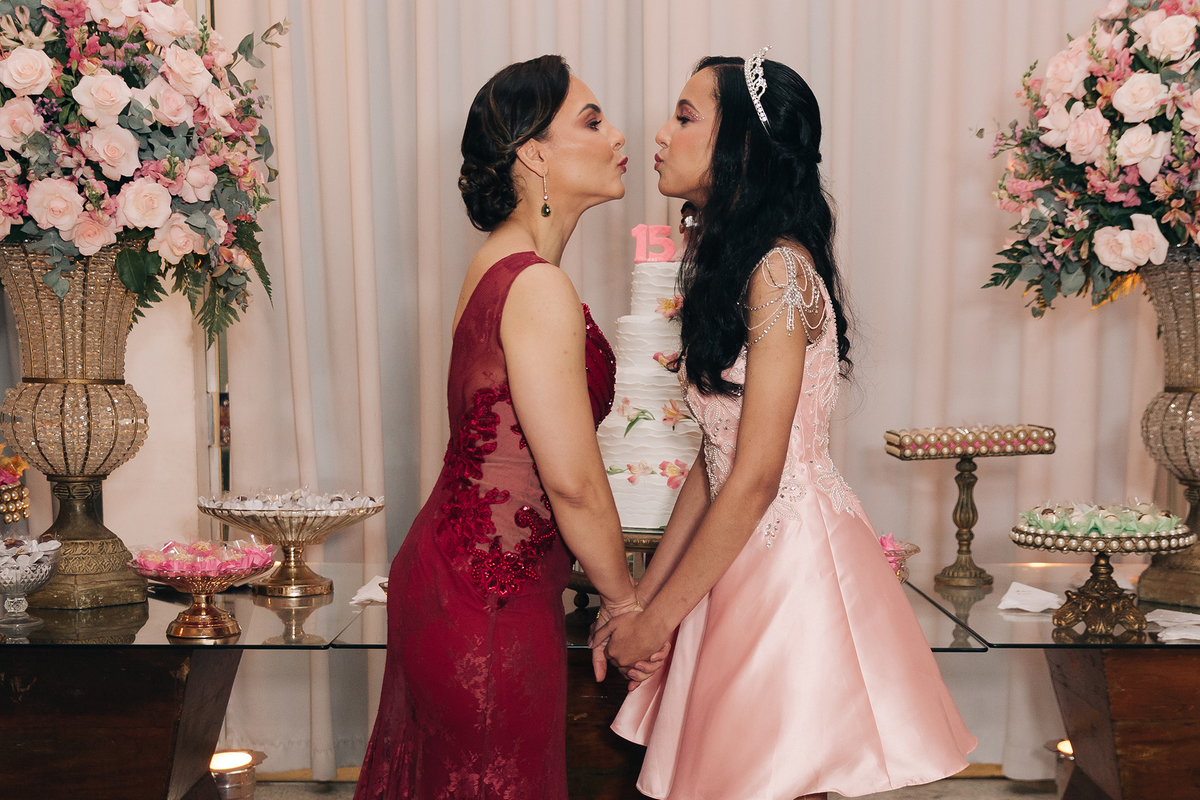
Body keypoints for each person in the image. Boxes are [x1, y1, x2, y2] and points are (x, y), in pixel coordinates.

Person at [593, 50, 977, 800]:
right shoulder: (737, 266)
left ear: (741, 145)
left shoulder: (779, 272)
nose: (661, 134)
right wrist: (643, 602)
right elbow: (714, 459)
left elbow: (758, 474)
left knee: (769, 777)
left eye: (684, 116)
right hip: (733, 551)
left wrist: (657, 622)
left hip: (788, 562)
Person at [355, 54, 649, 800]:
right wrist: (625, 605)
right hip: (487, 595)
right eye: (592, 120)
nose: (618, 135)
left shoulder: (503, 264)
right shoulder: (534, 282)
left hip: (470, 580)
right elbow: (572, 482)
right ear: (533, 154)